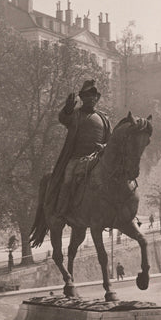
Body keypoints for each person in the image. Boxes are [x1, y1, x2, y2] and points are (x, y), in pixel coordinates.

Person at [45, 80, 111, 219]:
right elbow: (63, 118)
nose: (91, 98)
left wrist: (104, 147)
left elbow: (110, 141)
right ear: (82, 98)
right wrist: (67, 109)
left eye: (93, 96)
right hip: (76, 158)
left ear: (97, 98)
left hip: (97, 159)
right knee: (68, 179)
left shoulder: (103, 118)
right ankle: (61, 211)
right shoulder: (75, 114)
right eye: (87, 95)